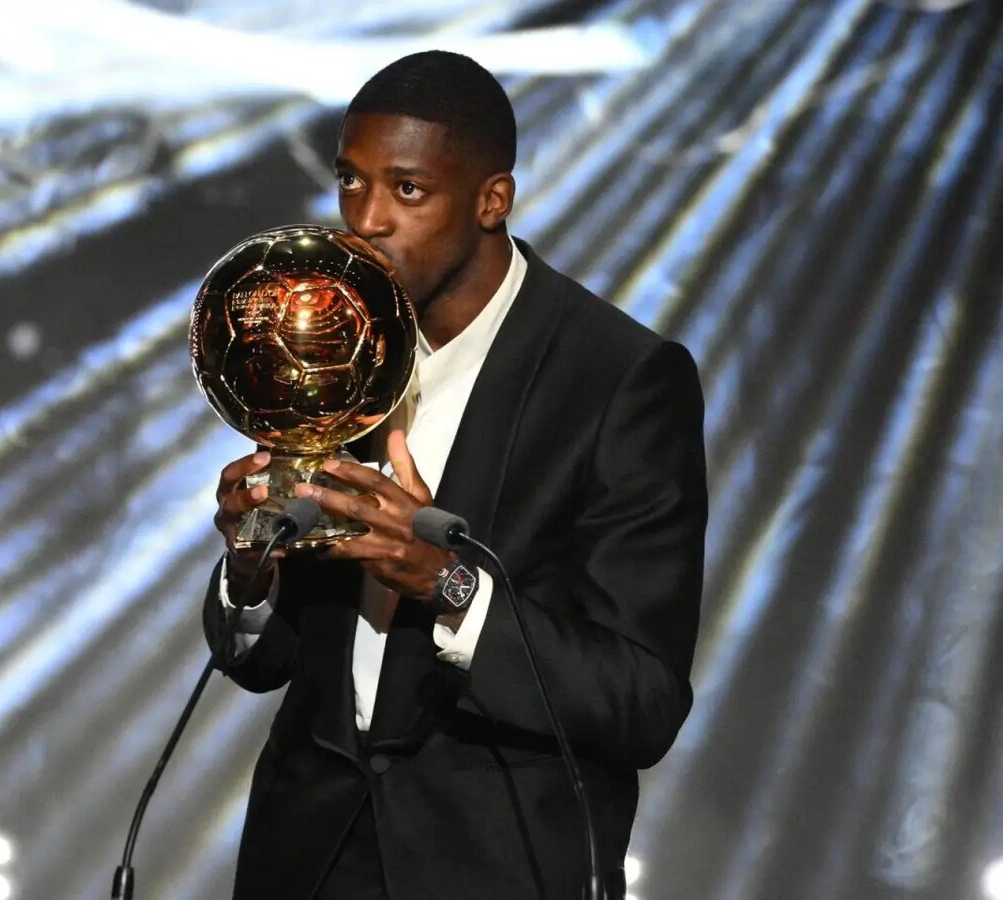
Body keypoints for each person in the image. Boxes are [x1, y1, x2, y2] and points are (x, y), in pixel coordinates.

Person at [203, 50, 707, 900]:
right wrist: (250, 567)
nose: (366, 220)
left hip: (494, 867)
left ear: (491, 199)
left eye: (407, 189)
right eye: (350, 181)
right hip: (308, 865)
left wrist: (447, 582)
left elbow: (641, 699)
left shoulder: (618, 379)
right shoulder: (329, 352)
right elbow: (262, 660)